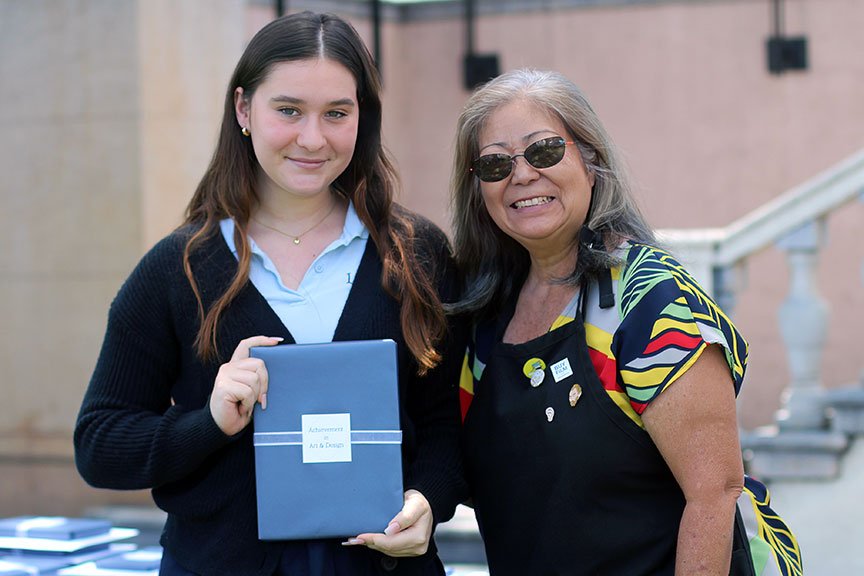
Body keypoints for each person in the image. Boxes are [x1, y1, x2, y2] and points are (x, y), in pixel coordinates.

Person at [74, 11, 467, 576]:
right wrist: (206, 421)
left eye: (337, 113)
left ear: (363, 118)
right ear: (243, 110)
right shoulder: (178, 269)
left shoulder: (417, 256)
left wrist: (430, 501)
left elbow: (446, 427)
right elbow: (99, 444)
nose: (313, 138)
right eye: (288, 111)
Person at [450, 69, 802, 575]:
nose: (522, 175)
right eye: (494, 162)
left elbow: (715, 493)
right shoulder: (482, 323)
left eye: (545, 150)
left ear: (591, 163)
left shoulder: (651, 300)